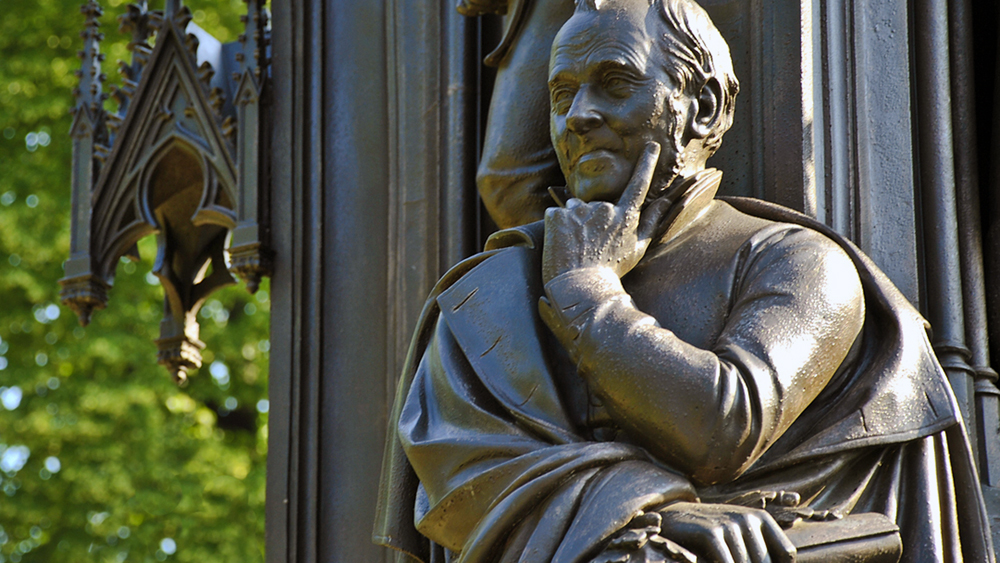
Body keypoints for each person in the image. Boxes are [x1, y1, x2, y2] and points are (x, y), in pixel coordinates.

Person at [374, 0, 995, 561]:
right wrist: (656, 516)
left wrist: (587, 293)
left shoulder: (800, 263)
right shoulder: (487, 297)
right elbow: (464, 482)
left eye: (615, 83)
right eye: (562, 95)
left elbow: (723, 427)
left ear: (703, 108)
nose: (579, 116)